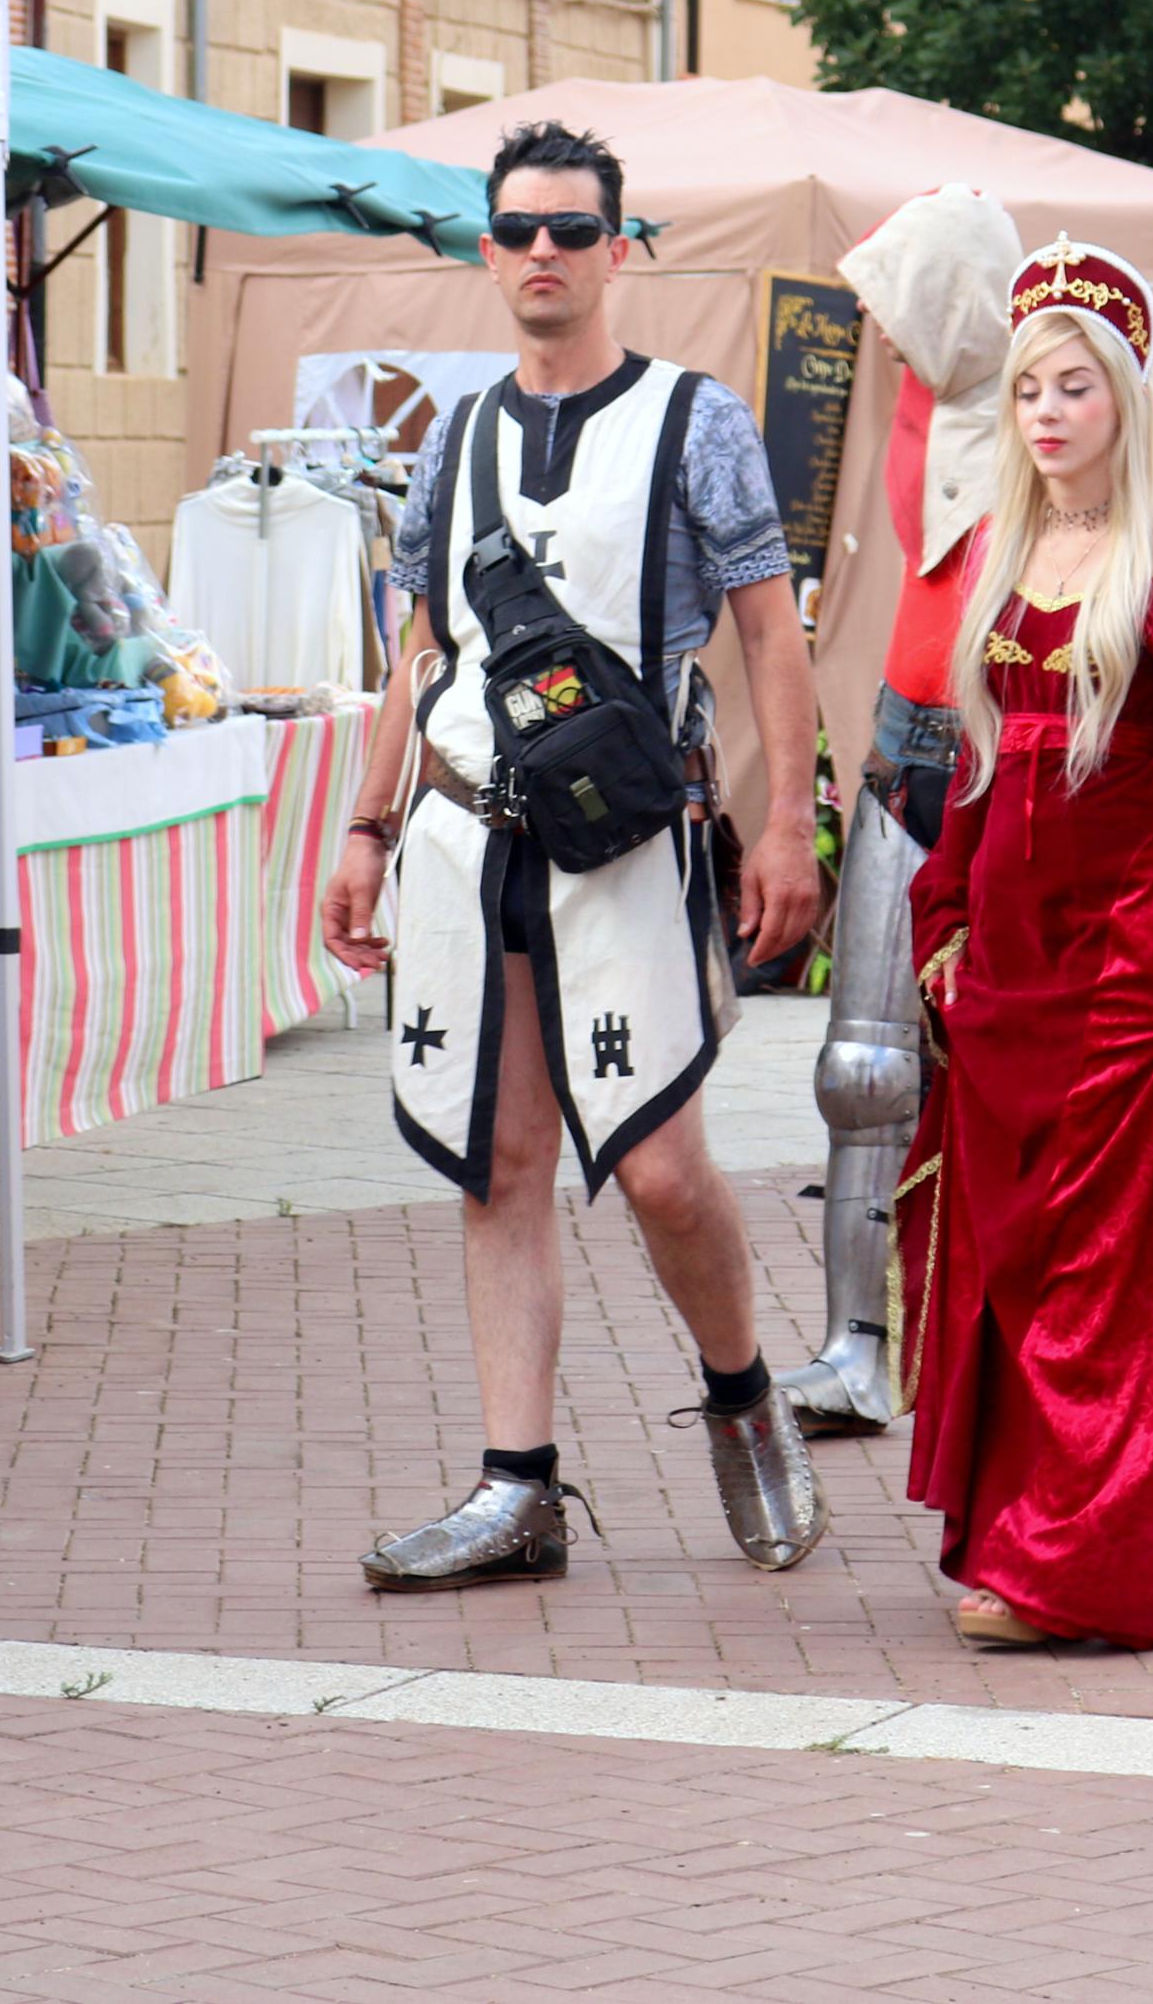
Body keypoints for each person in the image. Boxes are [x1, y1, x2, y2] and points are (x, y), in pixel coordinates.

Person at [316, 119, 832, 1589]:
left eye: (572, 227)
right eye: (518, 228)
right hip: (468, 836)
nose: (543, 249)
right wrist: (364, 828)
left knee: (664, 1168)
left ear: (616, 248)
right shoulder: (455, 439)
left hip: (626, 836)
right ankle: (515, 1484)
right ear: (486, 251)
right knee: (500, 1159)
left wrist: (783, 817)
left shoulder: (695, 418)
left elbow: (767, 632)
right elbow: (420, 653)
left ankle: (739, 1391)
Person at [896, 238, 1153, 1650]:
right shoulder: (1002, 552)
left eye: (1074, 385)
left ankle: (1094, 1567)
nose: (1049, 411)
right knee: (1006, 1252)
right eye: (1026, 390)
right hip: (1001, 948)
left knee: (1107, 1270)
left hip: (1127, 943)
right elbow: (973, 764)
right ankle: (1012, 1540)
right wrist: (939, 916)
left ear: (1123, 395)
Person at [783, 183, 1023, 1438]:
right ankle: (854, 1346)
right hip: (898, 741)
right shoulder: (916, 395)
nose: (876, 321)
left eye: (897, 294)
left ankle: (989, 1347)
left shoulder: (1043, 415)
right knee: (865, 1070)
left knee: (997, 1068)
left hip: (999, 761)